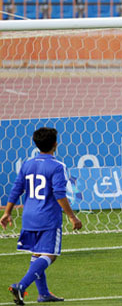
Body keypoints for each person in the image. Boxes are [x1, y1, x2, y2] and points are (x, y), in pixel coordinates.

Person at [1, 127, 83, 305]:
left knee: (37, 254)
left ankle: (44, 294)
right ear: (55, 144)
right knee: (50, 255)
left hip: (29, 216)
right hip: (47, 217)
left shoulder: (27, 164)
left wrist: (7, 212)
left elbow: (16, 189)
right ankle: (21, 286)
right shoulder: (57, 166)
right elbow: (59, 194)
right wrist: (72, 217)